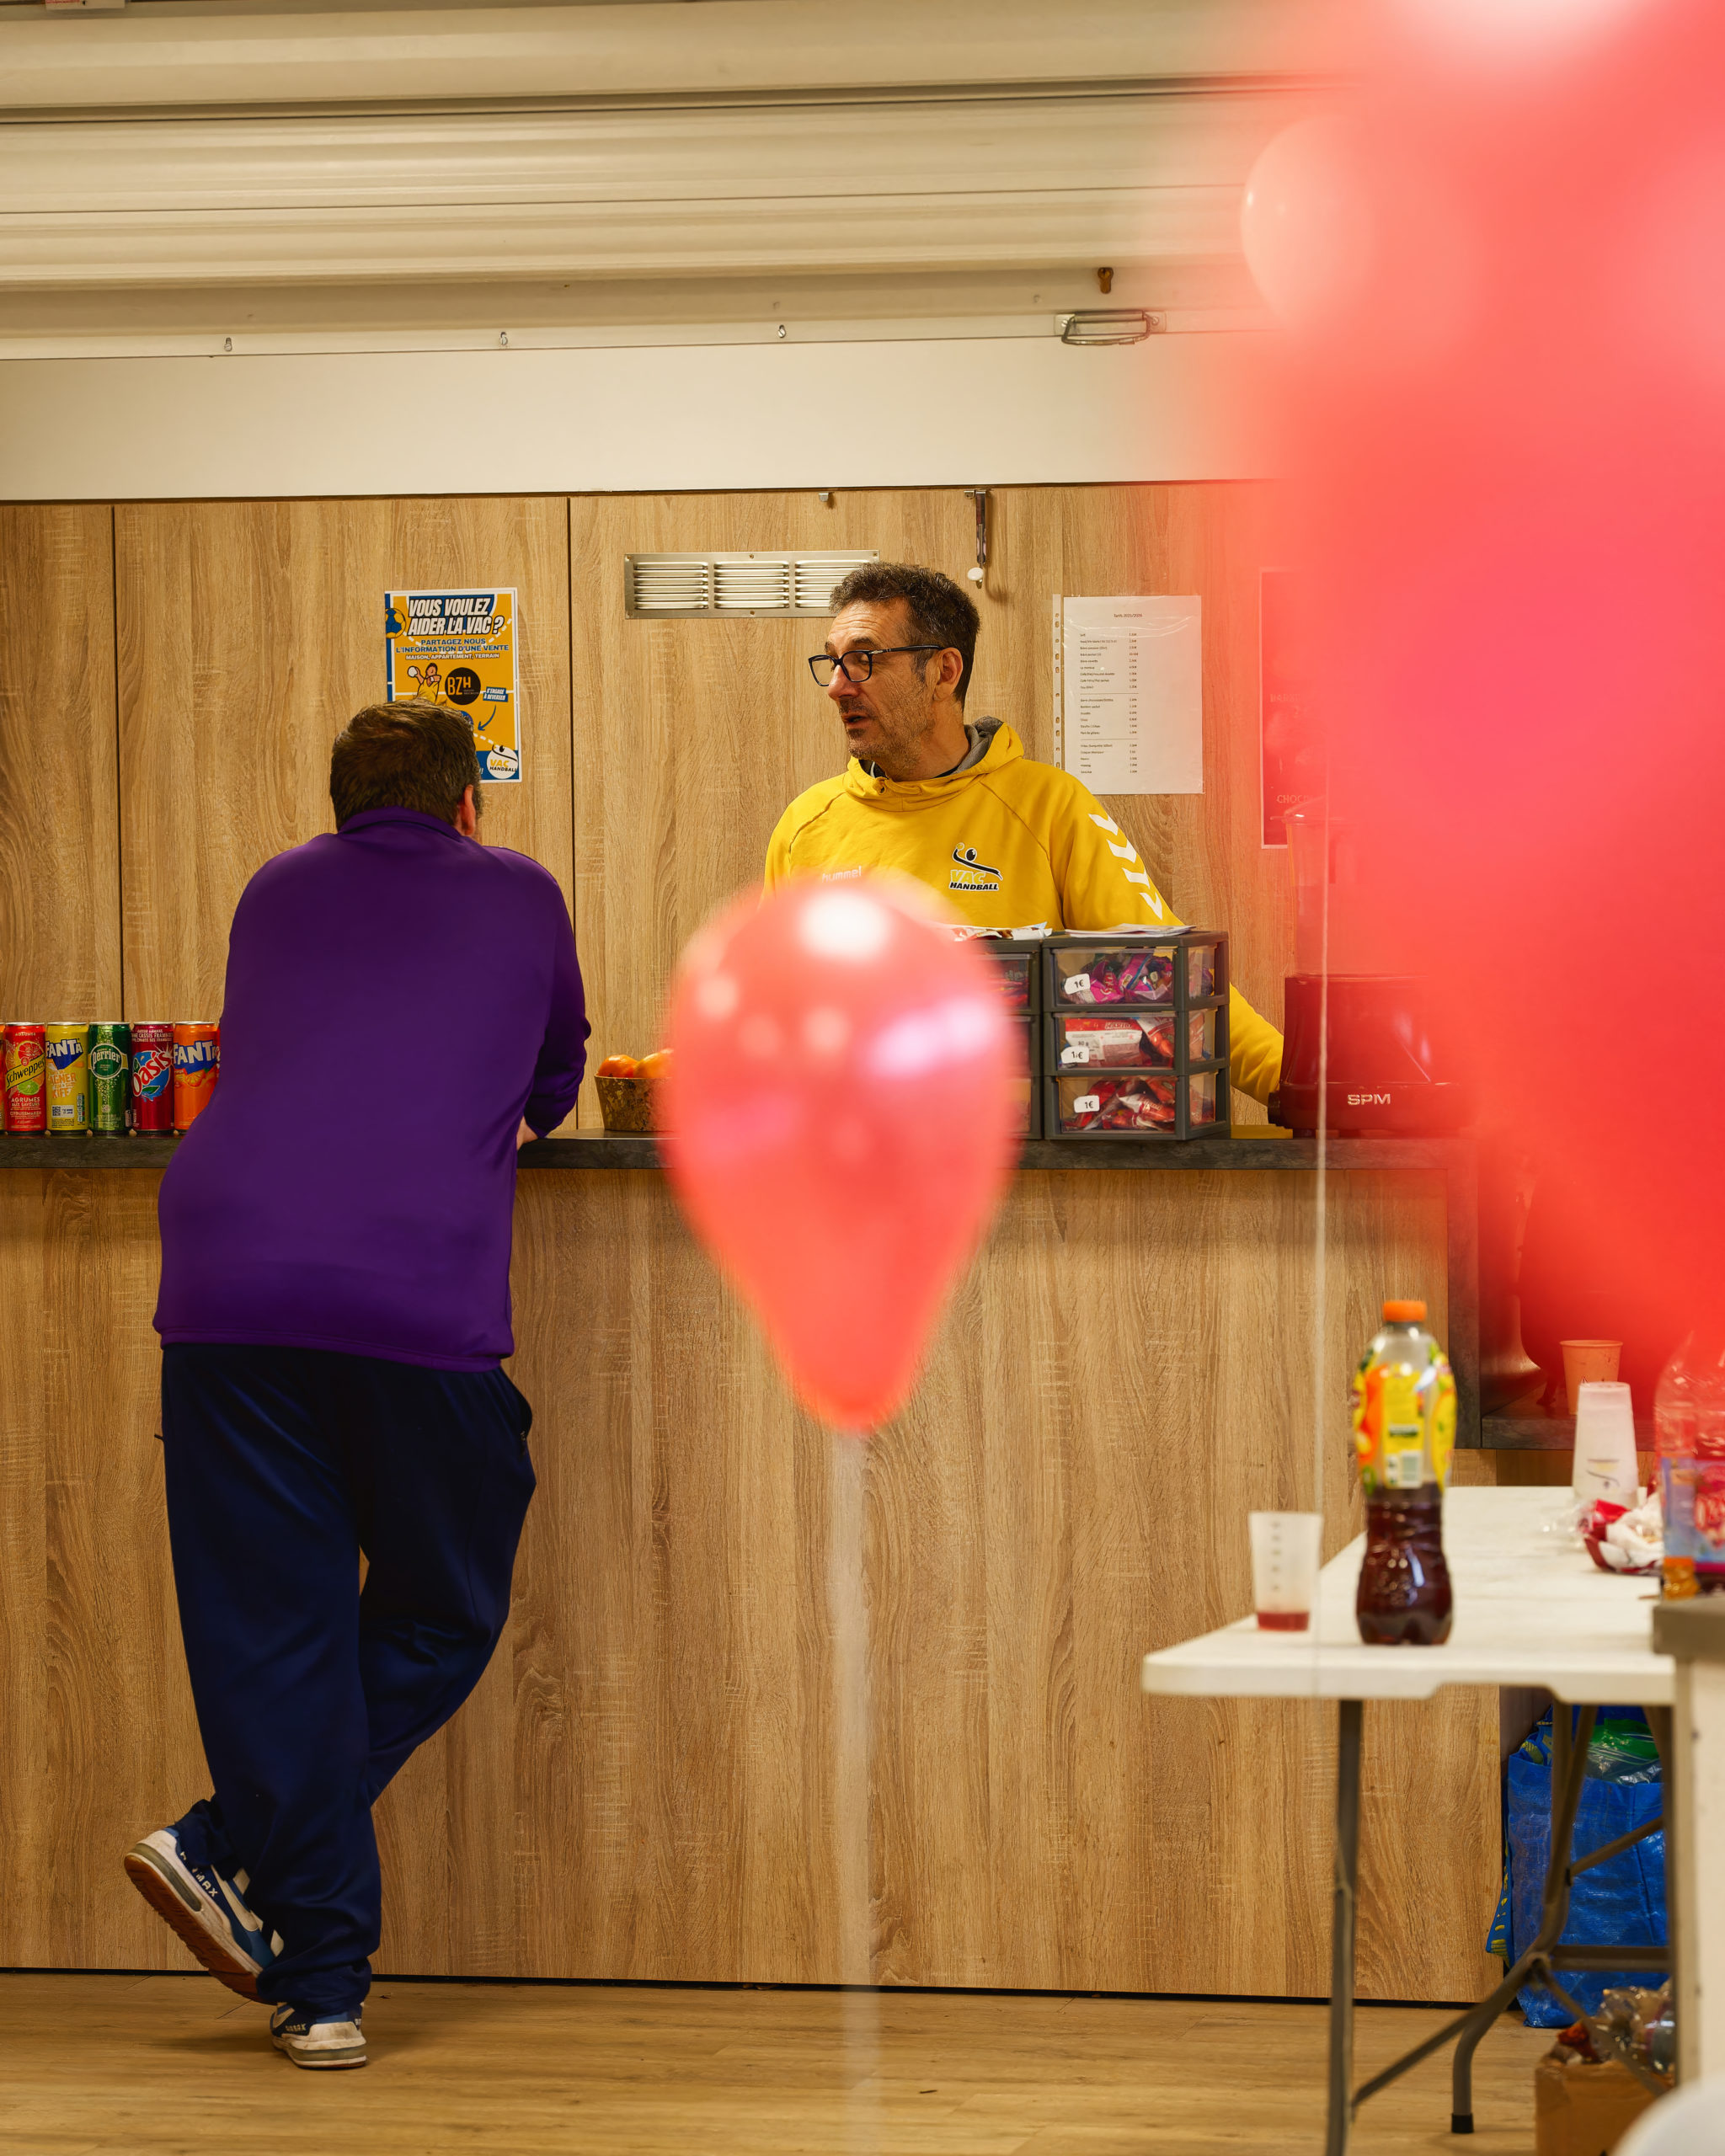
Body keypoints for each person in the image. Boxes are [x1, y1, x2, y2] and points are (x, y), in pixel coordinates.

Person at [125, 700, 588, 2071]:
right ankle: (223, 1845)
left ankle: (320, 1991)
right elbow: (553, 1083)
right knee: (444, 1602)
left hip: (227, 1285)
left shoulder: (276, 888)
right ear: (466, 806)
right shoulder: (520, 891)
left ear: (340, 808)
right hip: (408, 1292)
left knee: (278, 1635)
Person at [765, 562, 1284, 1103]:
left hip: (1017, 1153)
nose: (837, 687)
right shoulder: (806, 827)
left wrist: (1293, 1082)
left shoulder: (1050, 808)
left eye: (863, 660)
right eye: (832, 662)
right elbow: (774, 1013)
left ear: (944, 671)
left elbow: (1174, 977)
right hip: (852, 1144)